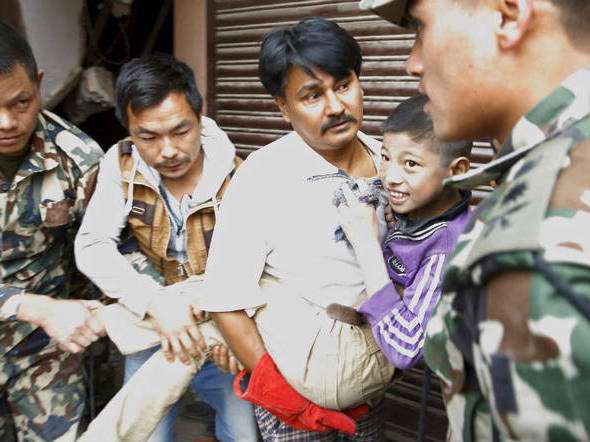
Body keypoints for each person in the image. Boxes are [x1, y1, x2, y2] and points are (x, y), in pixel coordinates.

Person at [361, 0, 590, 440]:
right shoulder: (548, 170)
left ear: (508, 16)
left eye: (420, 27)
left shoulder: (540, 238)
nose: (412, 63)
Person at [201, 17, 395, 441]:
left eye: (343, 85)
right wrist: (286, 400)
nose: (336, 106)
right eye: (312, 95)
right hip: (295, 411)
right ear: (283, 108)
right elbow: (224, 300)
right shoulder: (263, 178)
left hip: (372, 392)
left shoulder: (392, 164)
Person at [75, 54, 257, 442]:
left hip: (220, 327)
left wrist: (238, 332)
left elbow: (259, 267)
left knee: (243, 433)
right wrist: (155, 303)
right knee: (147, 434)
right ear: (128, 130)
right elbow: (92, 244)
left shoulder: (239, 176)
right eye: (148, 137)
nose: (168, 150)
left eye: (181, 131)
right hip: (153, 326)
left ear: (200, 116)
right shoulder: (121, 164)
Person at [0, 21, 104, 442]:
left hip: (44, 350)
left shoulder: (78, 158)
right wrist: (32, 306)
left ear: (39, 83)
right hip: (42, 314)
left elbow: (105, 248)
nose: (7, 122)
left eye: (21, 102)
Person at [335, 95, 472, 369]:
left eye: (410, 164)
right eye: (386, 157)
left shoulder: (446, 248)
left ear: (456, 171)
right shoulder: (418, 205)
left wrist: (366, 246)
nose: (390, 177)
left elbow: (406, 348)